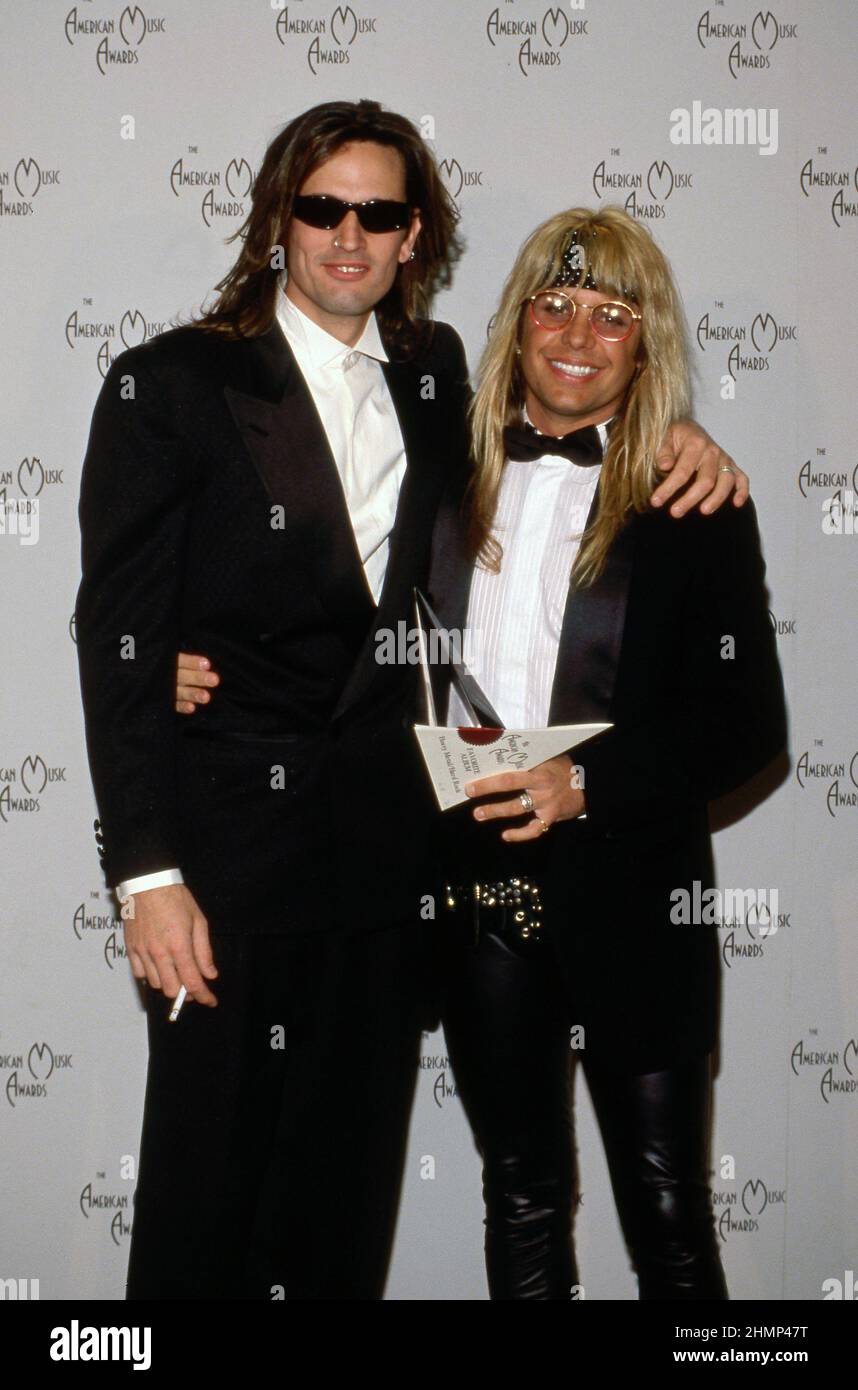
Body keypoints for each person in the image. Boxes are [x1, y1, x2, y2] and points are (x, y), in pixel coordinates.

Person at [85, 96, 743, 1302]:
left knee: (339, 1214)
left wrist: (685, 431)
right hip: (225, 870)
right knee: (203, 1206)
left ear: (414, 235)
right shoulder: (171, 382)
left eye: (379, 212)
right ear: (279, 220)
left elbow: (573, 402)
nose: (350, 235)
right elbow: (115, 630)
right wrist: (146, 873)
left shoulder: (437, 377)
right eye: (323, 206)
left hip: (392, 869)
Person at [423, 206, 788, 1299]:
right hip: (481, 896)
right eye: (559, 303)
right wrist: (191, 658)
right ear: (520, 316)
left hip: (637, 896)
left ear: (648, 342)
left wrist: (586, 782)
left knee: (671, 1220)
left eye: (614, 315)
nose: (579, 335)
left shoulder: (693, 499)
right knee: (521, 1198)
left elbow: (747, 725)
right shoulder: (437, 467)